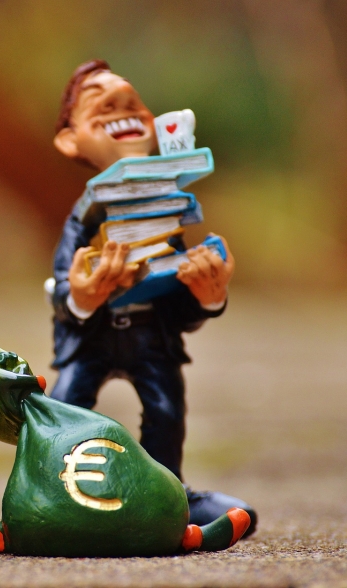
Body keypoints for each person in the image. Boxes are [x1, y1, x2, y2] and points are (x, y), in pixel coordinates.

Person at [48, 59, 256, 534]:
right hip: (92, 339)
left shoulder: (163, 212)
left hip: (151, 337)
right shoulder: (86, 217)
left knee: (166, 410)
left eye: (132, 101)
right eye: (101, 101)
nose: (120, 102)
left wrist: (206, 296)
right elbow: (62, 287)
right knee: (65, 407)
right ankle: (59, 493)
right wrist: (82, 296)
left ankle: (168, 496)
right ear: (70, 140)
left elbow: (179, 303)